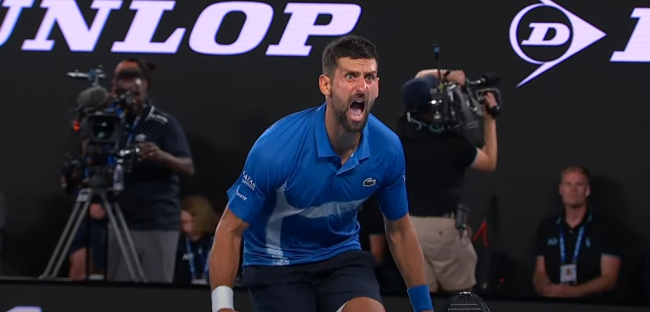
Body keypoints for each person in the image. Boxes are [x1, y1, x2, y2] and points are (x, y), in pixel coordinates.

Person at [209, 35, 433, 312]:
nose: (361, 87)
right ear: (326, 85)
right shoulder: (276, 149)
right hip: (276, 264)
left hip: (340, 257)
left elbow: (399, 229)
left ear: (377, 87)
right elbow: (229, 230)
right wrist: (222, 307)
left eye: (369, 77)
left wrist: (424, 309)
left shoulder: (387, 148)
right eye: (350, 76)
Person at [396, 69, 498, 293]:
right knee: (462, 296)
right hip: (441, 228)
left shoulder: (403, 130)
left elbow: (419, 79)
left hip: (409, 226)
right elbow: (489, 162)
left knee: (424, 297)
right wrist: (490, 121)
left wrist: (447, 75)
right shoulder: (453, 143)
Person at [107, 67, 194, 283]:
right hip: (120, 221)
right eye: (126, 94)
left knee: (156, 292)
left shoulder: (163, 123)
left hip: (157, 222)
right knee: (118, 294)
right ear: (116, 93)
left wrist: (161, 156)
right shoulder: (111, 124)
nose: (132, 99)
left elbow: (188, 167)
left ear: (145, 91)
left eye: (136, 94)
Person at [533, 166, 621, 298]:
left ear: (587, 190)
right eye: (568, 184)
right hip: (553, 300)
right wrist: (543, 287)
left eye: (579, 184)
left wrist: (575, 292)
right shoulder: (547, 226)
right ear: (561, 190)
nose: (573, 190)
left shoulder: (606, 228)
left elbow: (609, 279)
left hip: (591, 303)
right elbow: (540, 272)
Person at [174, 195, 218, 285]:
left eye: (192, 222)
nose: (187, 228)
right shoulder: (178, 245)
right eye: (183, 222)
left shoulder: (217, 242)